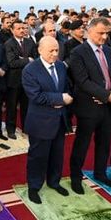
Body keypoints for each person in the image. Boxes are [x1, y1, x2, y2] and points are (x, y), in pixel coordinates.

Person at [67, 17, 111, 191]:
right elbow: (82, 81)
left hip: (108, 106)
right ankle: (76, 176)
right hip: (88, 107)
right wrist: (105, 95)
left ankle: (100, 173)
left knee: (104, 142)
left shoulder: (110, 51)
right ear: (89, 31)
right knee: (82, 143)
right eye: (100, 33)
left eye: (107, 33)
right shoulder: (78, 52)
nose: (104, 37)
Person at [21, 36, 72, 203]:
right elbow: (35, 96)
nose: (55, 54)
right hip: (40, 122)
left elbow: (66, 88)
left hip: (59, 120)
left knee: (57, 154)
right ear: (40, 50)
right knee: (38, 156)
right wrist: (59, 99)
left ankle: (54, 182)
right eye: (51, 50)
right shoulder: (30, 70)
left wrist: (66, 99)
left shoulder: (61, 66)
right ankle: (34, 187)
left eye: (57, 50)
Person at [4, 20, 37, 139]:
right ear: (12, 30)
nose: (22, 30)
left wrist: (23, 59)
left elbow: (35, 58)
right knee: (12, 107)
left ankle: (26, 128)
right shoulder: (9, 43)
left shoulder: (30, 42)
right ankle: (10, 130)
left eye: (23, 28)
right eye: (18, 28)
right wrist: (27, 59)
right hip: (14, 81)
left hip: (28, 80)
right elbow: (12, 62)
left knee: (27, 107)